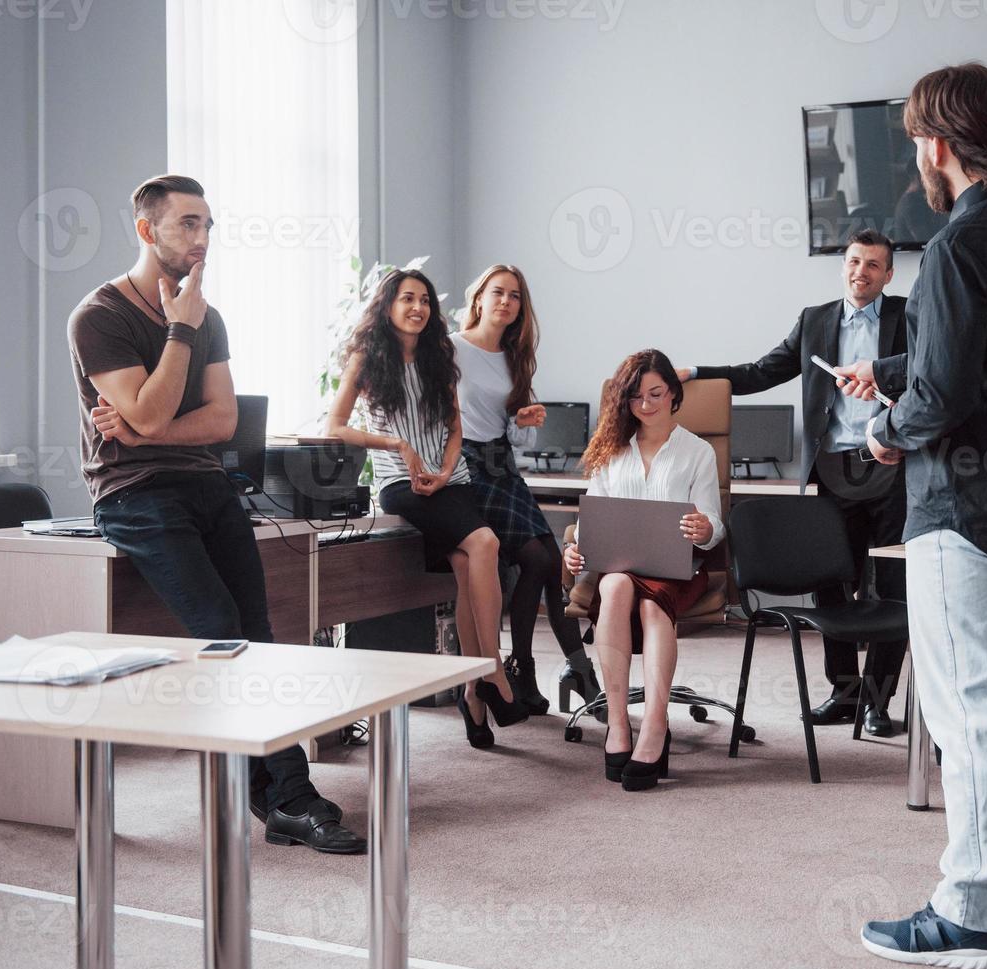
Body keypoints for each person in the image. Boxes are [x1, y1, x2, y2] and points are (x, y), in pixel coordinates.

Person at [838, 64, 987, 969]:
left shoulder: (952, 246)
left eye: (914, 139)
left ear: (939, 142)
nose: (914, 155)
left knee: (966, 704)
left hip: (961, 504)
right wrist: (898, 377)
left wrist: (884, 430)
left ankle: (968, 913)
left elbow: (939, 395)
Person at [72, 174, 364, 854]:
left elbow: (223, 420)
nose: (203, 239)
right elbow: (145, 410)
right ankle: (290, 797)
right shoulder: (100, 316)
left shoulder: (212, 317)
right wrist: (177, 332)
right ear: (148, 231)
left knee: (258, 634)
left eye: (208, 225)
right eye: (188, 225)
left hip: (208, 486)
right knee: (225, 632)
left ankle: (272, 794)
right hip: (135, 495)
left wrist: (144, 425)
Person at [679, 228, 909, 737]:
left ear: (888, 275)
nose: (861, 272)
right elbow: (761, 371)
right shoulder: (815, 321)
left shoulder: (907, 317)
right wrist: (695, 370)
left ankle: (878, 700)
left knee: (895, 588)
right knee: (831, 582)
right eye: (854, 261)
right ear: (843, 265)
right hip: (832, 468)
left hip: (892, 467)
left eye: (873, 265)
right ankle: (845, 693)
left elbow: (927, 376)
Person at [325, 268, 529, 749]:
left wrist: (445, 470)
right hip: (401, 484)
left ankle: (472, 697)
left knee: (467, 568)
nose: (417, 308)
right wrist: (397, 445)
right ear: (388, 306)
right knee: (485, 542)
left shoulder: (440, 357)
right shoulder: (367, 359)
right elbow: (336, 426)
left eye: (424, 300)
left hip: (449, 480)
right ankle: (492, 672)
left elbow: (454, 431)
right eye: (406, 299)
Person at [562, 350, 725, 791]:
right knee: (614, 586)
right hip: (619, 566)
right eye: (635, 397)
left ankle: (654, 724)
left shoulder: (698, 451)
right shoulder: (610, 449)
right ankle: (618, 722)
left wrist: (704, 527)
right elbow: (591, 521)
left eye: (656, 394)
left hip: (678, 570)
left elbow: (713, 523)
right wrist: (575, 550)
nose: (646, 404)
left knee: (654, 609)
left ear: (673, 393)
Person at [453, 264, 602, 715]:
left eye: (515, 296)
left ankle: (532, 666)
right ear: (478, 298)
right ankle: (534, 668)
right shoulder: (450, 349)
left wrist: (524, 424)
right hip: (466, 463)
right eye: (497, 292)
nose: (505, 301)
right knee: (539, 559)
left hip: (501, 461)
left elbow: (520, 438)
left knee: (548, 563)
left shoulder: (515, 357)